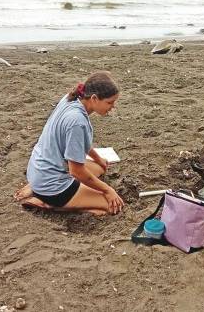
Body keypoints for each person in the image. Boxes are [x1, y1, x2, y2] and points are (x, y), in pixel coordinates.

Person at [15, 71, 124, 216]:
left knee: (99, 168)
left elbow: (80, 143)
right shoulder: (77, 121)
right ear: (94, 98)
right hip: (53, 186)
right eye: (110, 102)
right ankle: (48, 203)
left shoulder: (70, 99)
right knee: (112, 206)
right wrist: (108, 190)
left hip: (39, 168)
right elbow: (76, 171)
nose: (113, 107)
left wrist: (98, 159)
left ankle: (36, 188)